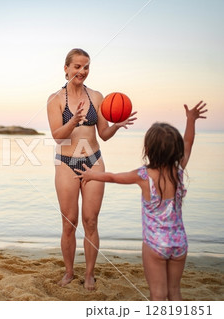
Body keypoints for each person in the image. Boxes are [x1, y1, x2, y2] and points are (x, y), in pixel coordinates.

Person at [75, 101, 208, 300]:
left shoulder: (144, 175)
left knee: (157, 295)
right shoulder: (179, 171)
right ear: (176, 150)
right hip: (179, 243)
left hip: (155, 244)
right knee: (175, 293)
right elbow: (188, 143)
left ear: (148, 149)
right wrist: (191, 120)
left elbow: (113, 177)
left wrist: (92, 175)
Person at [46, 48, 137, 289]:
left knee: (91, 221)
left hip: (94, 161)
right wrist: (73, 121)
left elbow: (104, 135)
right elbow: (57, 136)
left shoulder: (97, 97)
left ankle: (89, 273)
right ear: (66, 68)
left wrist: (117, 125)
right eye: (77, 66)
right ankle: (68, 272)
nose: (82, 71)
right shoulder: (55, 100)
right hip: (66, 163)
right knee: (69, 222)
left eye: (86, 66)